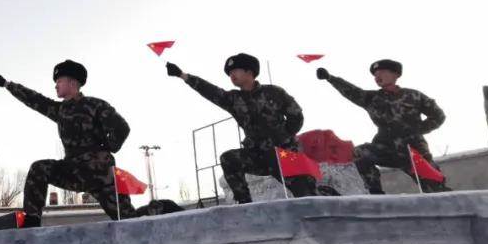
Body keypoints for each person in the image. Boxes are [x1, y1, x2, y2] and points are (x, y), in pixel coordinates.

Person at [0, 59, 135, 226]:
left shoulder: (95, 105)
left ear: (72, 82)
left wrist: (107, 149)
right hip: (73, 170)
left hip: (101, 175)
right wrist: (7, 84)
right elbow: (35, 100)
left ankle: (162, 209)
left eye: (59, 81)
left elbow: (122, 128)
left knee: (129, 219)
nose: (55, 85)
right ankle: (31, 221)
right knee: (39, 168)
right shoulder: (60, 111)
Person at [166, 53, 316, 203]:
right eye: (229, 73)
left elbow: (296, 116)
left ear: (249, 72)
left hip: (283, 155)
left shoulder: (274, 92)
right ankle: (245, 204)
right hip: (258, 156)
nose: (231, 75)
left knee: (308, 196)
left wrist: (282, 139)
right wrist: (183, 75)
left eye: (234, 71)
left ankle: (323, 198)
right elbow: (210, 91)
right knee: (229, 159)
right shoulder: (234, 99)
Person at [317, 59, 448, 193]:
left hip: (413, 150)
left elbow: (438, 116)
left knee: (435, 188)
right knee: (360, 153)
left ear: (395, 74)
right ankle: (375, 194)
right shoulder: (372, 98)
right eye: (375, 75)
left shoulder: (414, 96)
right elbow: (352, 91)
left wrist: (417, 130)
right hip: (385, 148)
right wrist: (330, 78)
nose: (377, 77)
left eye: (382, 72)